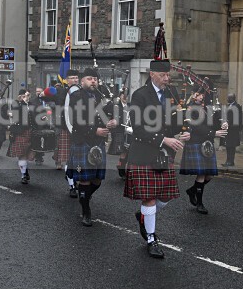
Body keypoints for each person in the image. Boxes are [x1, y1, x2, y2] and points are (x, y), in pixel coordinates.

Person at [125, 59, 188, 258]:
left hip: (164, 155)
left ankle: (144, 214)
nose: (167, 79)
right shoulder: (140, 95)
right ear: (152, 74)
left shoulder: (172, 94)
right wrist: (163, 140)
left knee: (167, 196)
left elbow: (175, 123)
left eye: (168, 75)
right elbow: (138, 129)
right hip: (144, 153)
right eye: (163, 75)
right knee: (150, 198)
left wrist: (185, 128)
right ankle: (151, 238)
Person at [68, 68, 117, 226]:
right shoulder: (76, 96)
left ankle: (85, 197)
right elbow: (76, 120)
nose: (93, 81)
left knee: (97, 180)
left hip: (98, 142)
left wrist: (113, 121)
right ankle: (86, 210)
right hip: (83, 141)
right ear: (82, 82)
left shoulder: (100, 95)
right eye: (89, 78)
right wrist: (95, 130)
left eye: (95, 79)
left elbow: (110, 112)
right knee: (85, 179)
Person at [180, 87, 228, 214]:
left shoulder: (206, 108)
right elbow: (197, 127)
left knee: (210, 175)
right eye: (199, 94)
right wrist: (214, 133)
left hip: (207, 144)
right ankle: (200, 204)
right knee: (201, 174)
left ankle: (192, 190)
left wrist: (222, 124)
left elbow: (211, 123)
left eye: (202, 94)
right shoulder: (190, 109)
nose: (201, 96)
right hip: (196, 142)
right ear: (193, 95)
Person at [58, 70, 81, 196]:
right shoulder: (62, 92)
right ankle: (72, 186)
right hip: (67, 128)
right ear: (67, 80)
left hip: (81, 129)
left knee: (78, 159)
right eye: (72, 78)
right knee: (68, 159)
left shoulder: (82, 92)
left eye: (77, 78)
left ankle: (74, 179)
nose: (75, 80)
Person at [6, 88, 35, 184]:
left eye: (27, 96)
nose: (26, 98)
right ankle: (23, 175)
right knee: (22, 155)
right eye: (23, 96)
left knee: (28, 155)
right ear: (20, 97)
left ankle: (25, 170)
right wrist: (22, 102)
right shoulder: (16, 105)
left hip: (31, 133)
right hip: (20, 132)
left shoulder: (32, 105)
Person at [221, 94, 242, 167]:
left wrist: (228, 123)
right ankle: (228, 161)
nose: (227, 99)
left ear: (232, 98)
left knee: (231, 146)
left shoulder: (236, 106)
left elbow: (236, 118)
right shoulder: (229, 105)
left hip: (233, 129)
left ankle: (230, 161)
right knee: (228, 146)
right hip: (228, 129)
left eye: (228, 98)